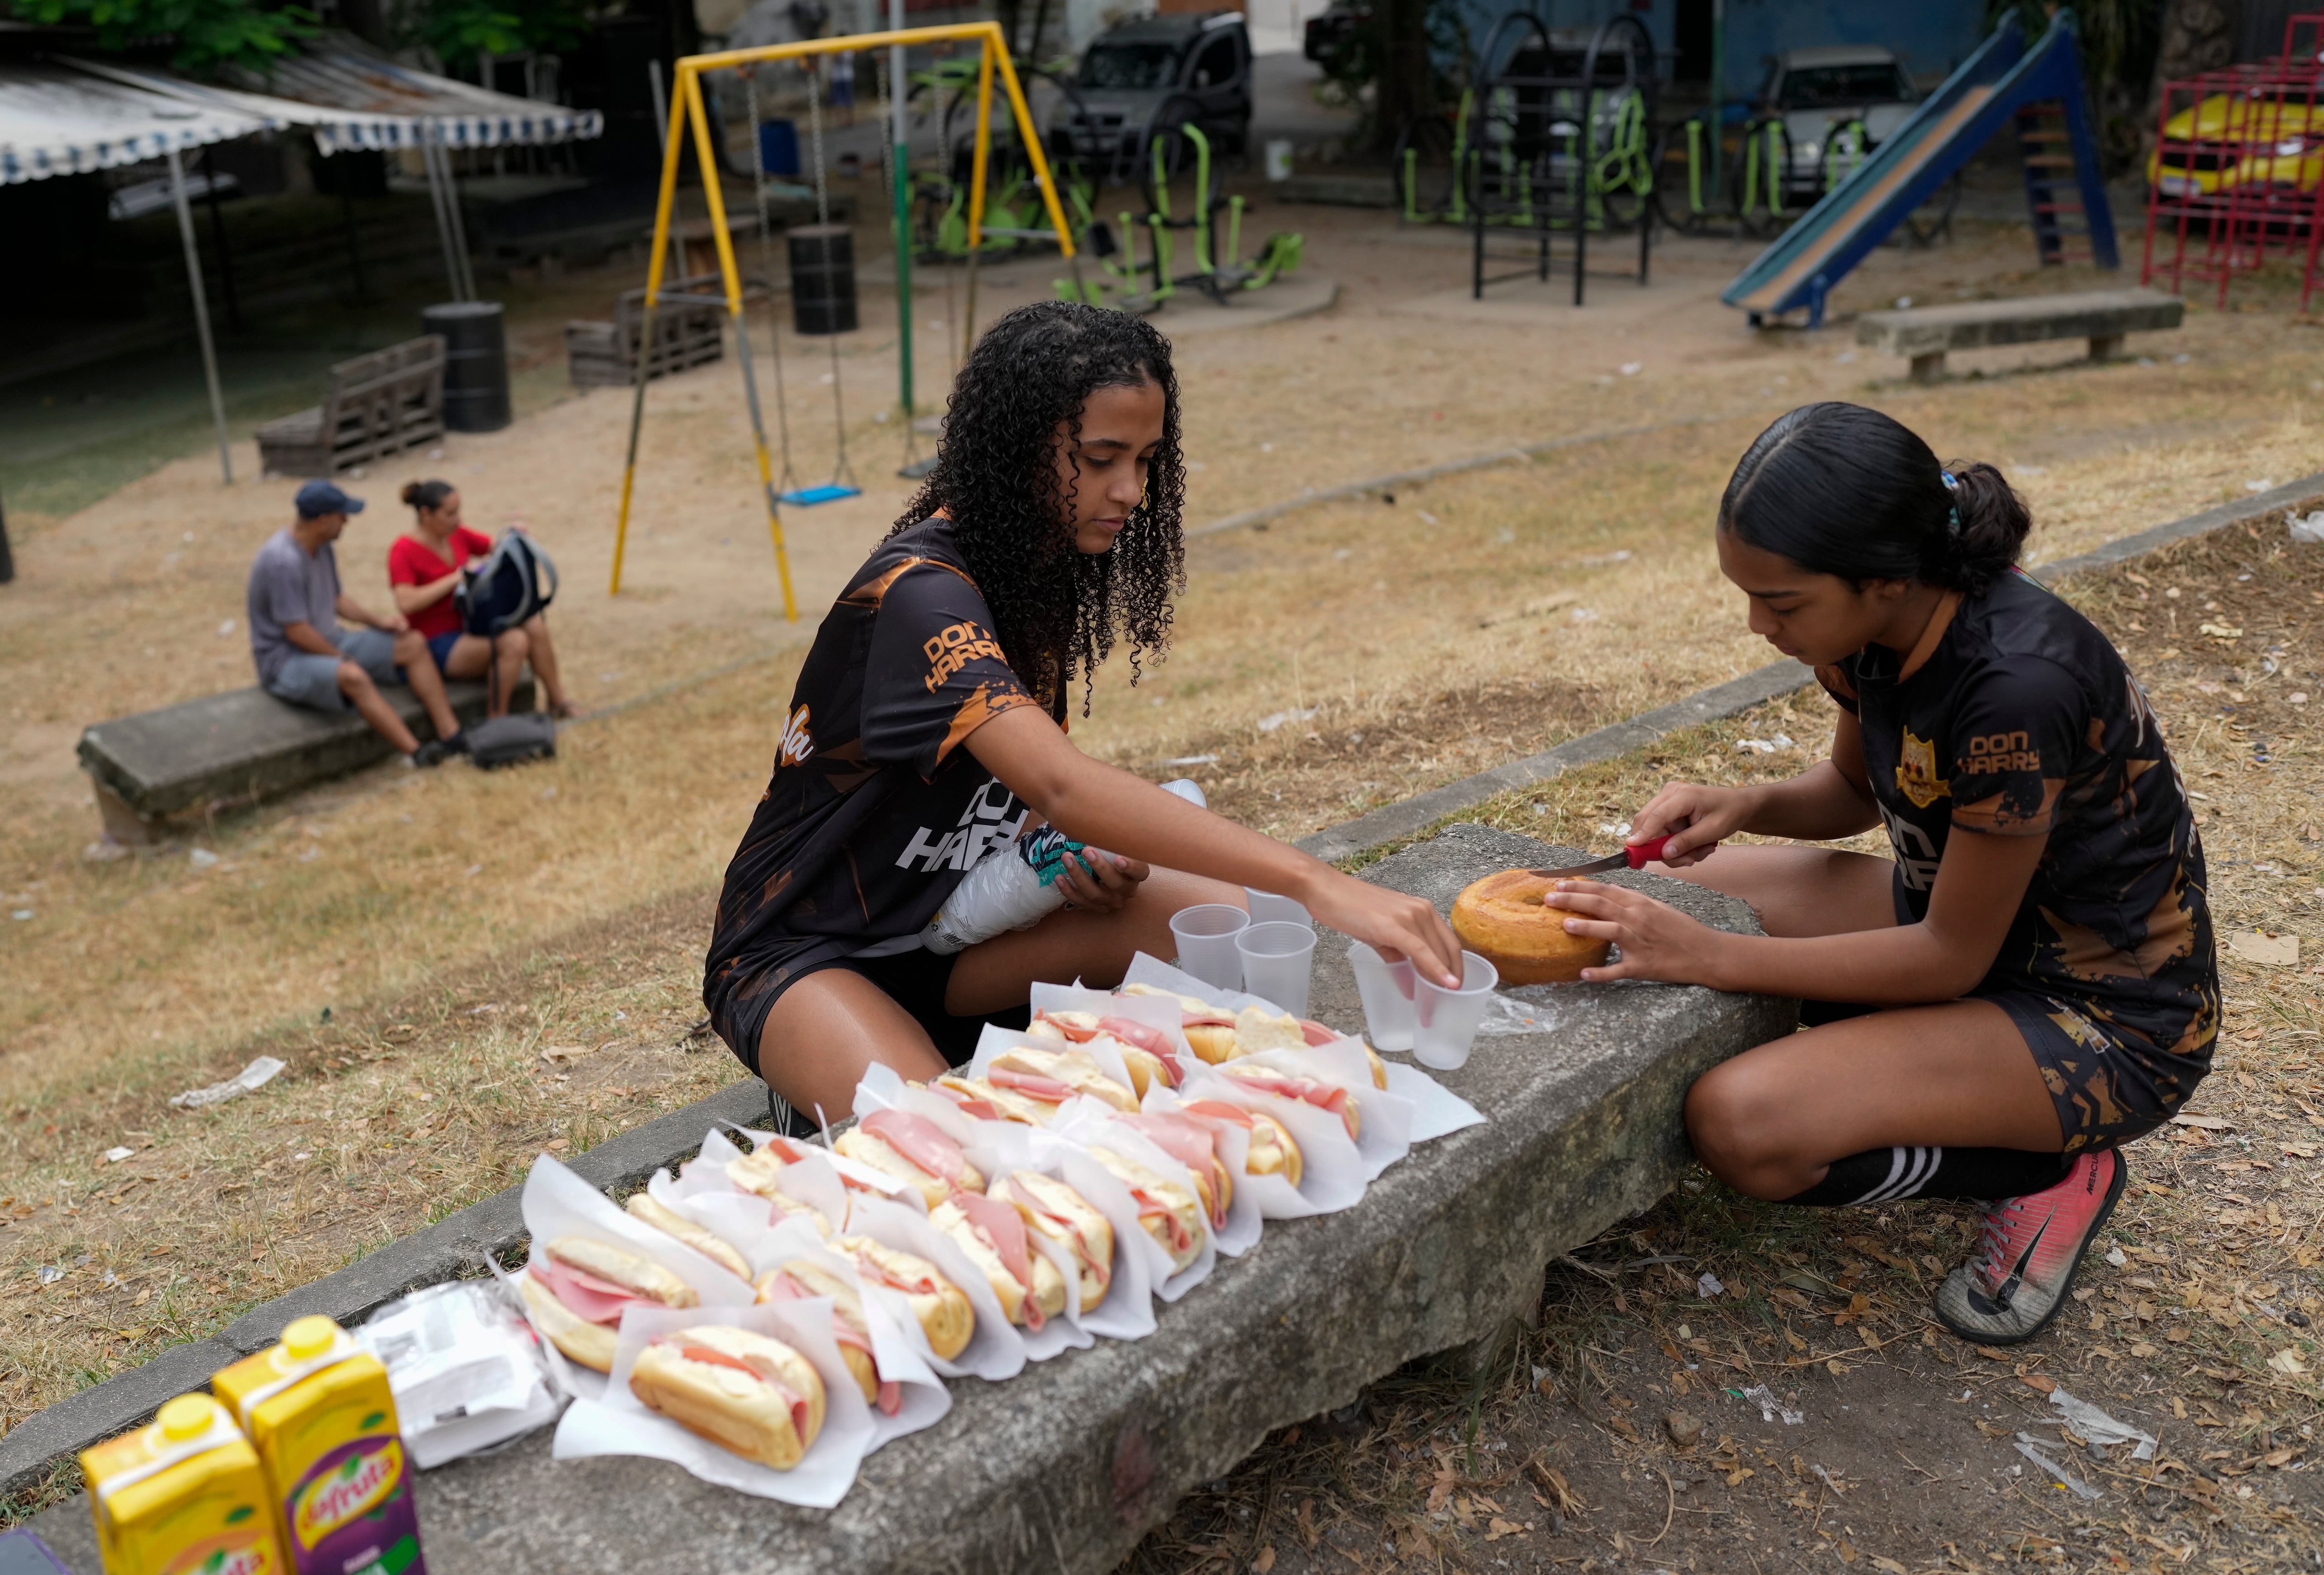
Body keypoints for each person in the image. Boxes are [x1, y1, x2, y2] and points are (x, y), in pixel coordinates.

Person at [1542, 402, 2217, 1346]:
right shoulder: (1869, 635)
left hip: (2103, 1019)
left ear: (1884, 579)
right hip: (1974, 927)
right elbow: (1855, 793)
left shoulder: (2014, 688)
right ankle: (1930, 1071)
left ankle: (2049, 1167)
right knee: (1675, 900)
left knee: (1741, 1125)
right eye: (1747, 595)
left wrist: (1706, 958)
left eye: (1780, 603)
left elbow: (1943, 959)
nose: (1755, 625)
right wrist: (1744, 802)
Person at [703, 302, 1463, 1134]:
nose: (1130, 491)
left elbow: (1014, 792)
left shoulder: (1034, 571)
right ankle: (822, 1083)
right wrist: (1320, 882)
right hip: (808, 958)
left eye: (1145, 460)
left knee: (1225, 926)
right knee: (957, 1154)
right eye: (1100, 459)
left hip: (946, 942)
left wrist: (1068, 861)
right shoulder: (918, 596)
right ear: (1017, 448)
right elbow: (1062, 783)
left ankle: (960, 1052)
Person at [248, 480, 466, 767]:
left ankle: (451, 733)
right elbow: (297, 632)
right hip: (284, 659)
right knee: (353, 677)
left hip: (327, 638)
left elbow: (337, 600)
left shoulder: (321, 546)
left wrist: (380, 623)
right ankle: (417, 752)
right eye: (342, 516)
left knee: (412, 643)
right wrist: (341, 659)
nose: (347, 522)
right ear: (323, 521)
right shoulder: (282, 561)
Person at [386, 479, 584, 718]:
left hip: (472, 625)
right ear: (426, 514)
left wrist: (515, 537)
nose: (458, 519)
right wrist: (453, 580)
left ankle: (558, 702)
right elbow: (406, 602)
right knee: (515, 641)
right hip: (438, 641)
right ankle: (497, 720)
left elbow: (496, 548)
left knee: (534, 623)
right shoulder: (403, 551)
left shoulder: (455, 534)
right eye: (450, 514)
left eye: (458, 511)